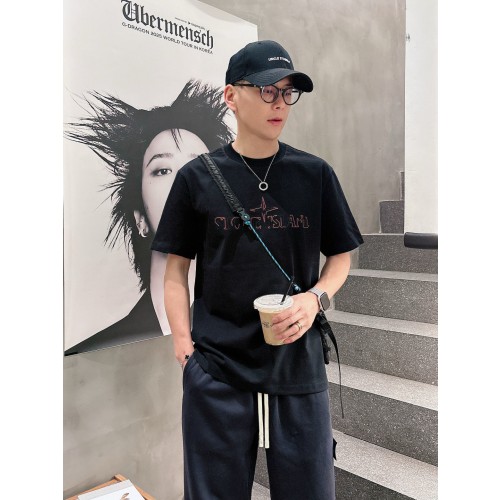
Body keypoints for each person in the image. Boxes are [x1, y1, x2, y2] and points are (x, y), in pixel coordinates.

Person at [152, 40, 364, 499]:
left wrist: (315, 298)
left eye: (288, 92)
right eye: (268, 90)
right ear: (231, 95)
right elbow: (175, 272)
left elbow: (341, 257)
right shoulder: (197, 177)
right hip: (218, 368)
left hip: (298, 363)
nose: (280, 103)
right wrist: (186, 351)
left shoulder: (314, 174)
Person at [65, 80, 233, 355]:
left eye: (199, 167)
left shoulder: (243, 325)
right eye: (163, 170)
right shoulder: (96, 351)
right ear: (140, 218)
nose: (184, 181)